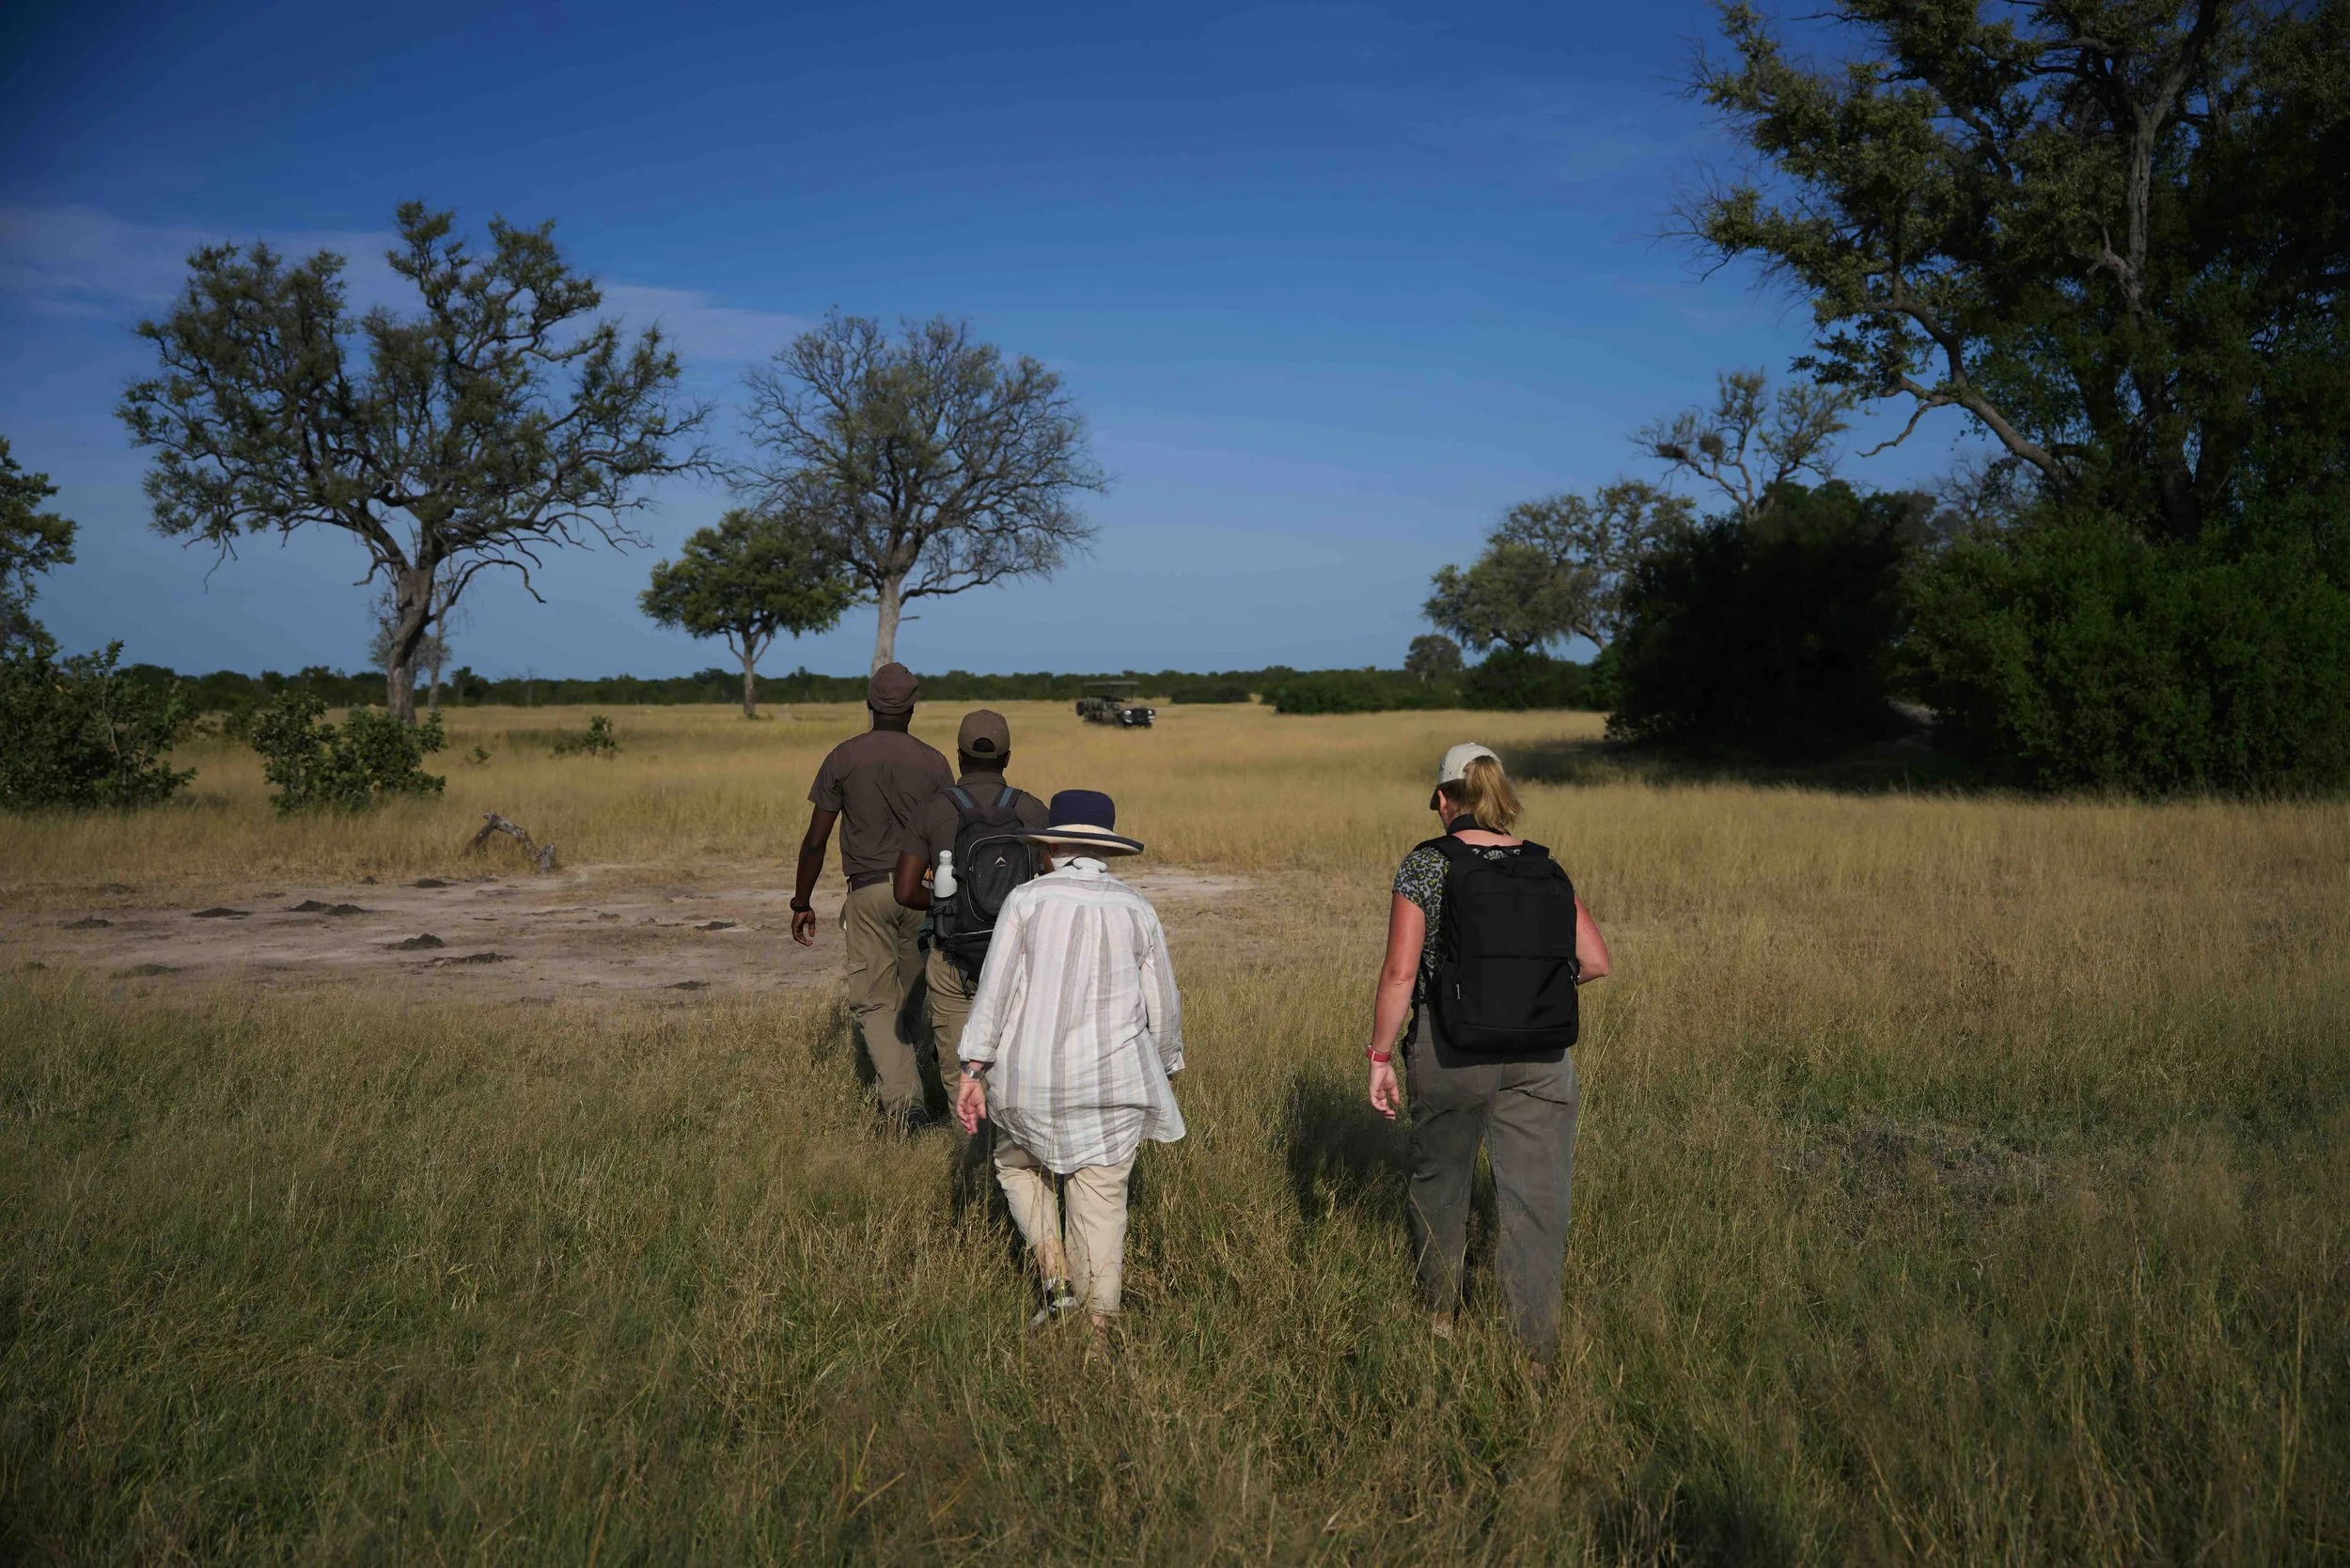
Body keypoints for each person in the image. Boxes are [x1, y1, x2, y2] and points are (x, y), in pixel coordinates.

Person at [1365, 743, 1611, 1374]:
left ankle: (1439, 1321)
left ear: (1444, 799)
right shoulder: (1542, 866)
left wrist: (1379, 1056)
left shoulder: (1427, 864)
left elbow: (1400, 974)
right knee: (1536, 1204)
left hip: (1451, 1051)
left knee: (1441, 1187)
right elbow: (1594, 962)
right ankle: (1534, 1354)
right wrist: (1523, 999)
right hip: (1541, 1057)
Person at [952, 790, 1184, 1355]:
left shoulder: (1026, 900)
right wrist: (1165, 1067)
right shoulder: (1137, 908)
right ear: (1106, 851)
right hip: (1114, 1083)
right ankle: (1097, 1335)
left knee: (1016, 1166)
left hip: (1028, 1082)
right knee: (1101, 1205)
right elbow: (1164, 1007)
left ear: (1051, 848)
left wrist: (973, 1068)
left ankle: (1056, 1282)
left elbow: (995, 992)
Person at [791, 662, 954, 1131]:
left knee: (876, 1001)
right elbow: (950, 836)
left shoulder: (843, 757)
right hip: (922, 893)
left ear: (869, 704)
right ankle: (929, 1090)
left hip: (865, 892)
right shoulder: (934, 762)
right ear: (913, 707)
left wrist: (802, 902)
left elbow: (816, 840)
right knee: (915, 995)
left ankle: (905, 1106)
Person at [892, 709, 1050, 1122]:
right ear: (1007, 757)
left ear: (959, 757)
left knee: (959, 1069)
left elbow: (905, 891)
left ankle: (971, 1152)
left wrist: (951, 906)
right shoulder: (1032, 809)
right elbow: (1054, 885)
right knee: (1017, 1065)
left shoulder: (933, 810)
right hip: (1020, 958)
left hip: (953, 957)